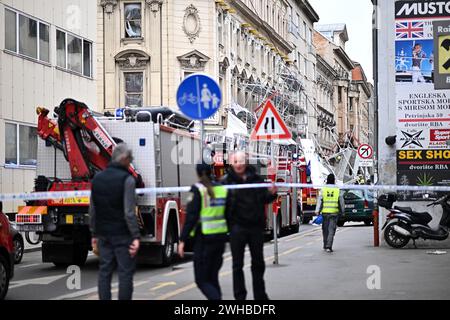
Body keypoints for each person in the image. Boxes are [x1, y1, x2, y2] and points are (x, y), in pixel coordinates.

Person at [222, 151, 277, 300]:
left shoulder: (256, 178)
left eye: (241, 161)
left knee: (258, 263)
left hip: (255, 227)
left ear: (246, 162)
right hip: (236, 227)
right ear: (231, 164)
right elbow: (221, 203)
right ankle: (240, 297)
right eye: (235, 162)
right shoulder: (226, 182)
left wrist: (272, 193)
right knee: (237, 265)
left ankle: (260, 296)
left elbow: (264, 198)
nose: (238, 164)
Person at [89, 143, 141, 300]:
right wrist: (136, 236)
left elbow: (92, 210)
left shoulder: (97, 179)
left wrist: (94, 233)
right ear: (124, 159)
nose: (130, 162)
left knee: (104, 272)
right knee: (125, 273)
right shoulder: (128, 180)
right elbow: (129, 212)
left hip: (103, 234)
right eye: (130, 159)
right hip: (122, 235)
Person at [178, 162, 229, 300]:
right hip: (220, 239)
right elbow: (229, 213)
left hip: (204, 240)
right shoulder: (222, 189)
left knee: (202, 280)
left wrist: (182, 240)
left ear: (198, 174)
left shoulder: (198, 189)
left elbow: (191, 217)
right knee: (212, 278)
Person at [315, 173, 345, 253]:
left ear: (327, 180)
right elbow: (341, 202)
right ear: (334, 180)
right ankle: (329, 246)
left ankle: (325, 245)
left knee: (325, 229)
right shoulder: (337, 189)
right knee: (331, 230)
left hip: (325, 213)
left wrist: (317, 210)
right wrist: (343, 211)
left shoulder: (323, 189)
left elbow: (320, 200)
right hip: (334, 213)